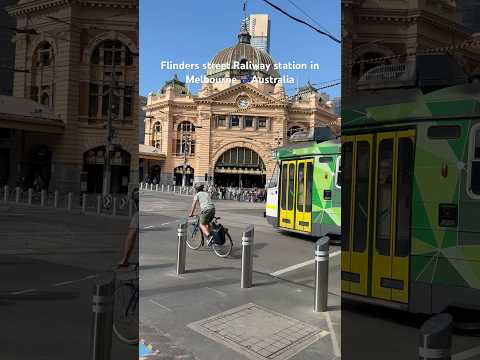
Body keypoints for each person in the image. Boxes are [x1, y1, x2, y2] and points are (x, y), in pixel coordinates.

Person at [118, 187, 139, 268]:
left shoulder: (137, 191)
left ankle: (125, 260)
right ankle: (125, 260)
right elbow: (126, 199)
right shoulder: (136, 191)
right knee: (131, 235)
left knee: (131, 235)